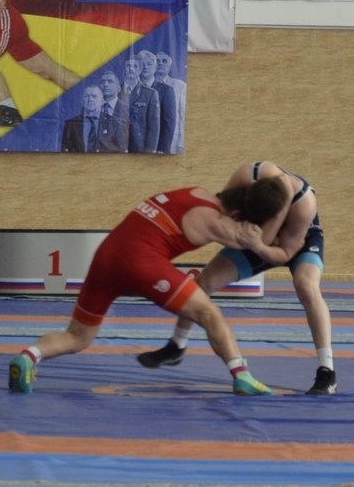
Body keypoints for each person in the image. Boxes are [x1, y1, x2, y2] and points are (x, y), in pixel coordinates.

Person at [8, 176, 292, 395]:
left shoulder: (195, 191)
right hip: (141, 262)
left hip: (106, 256)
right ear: (238, 215)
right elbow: (262, 245)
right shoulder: (218, 222)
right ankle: (242, 376)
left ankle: (29, 356)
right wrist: (286, 207)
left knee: (78, 336)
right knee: (210, 314)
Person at [139, 160, 336, 395]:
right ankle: (176, 346)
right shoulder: (248, 173)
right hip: (252, 233)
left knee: (306, 286)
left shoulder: (304, 204)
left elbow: (283, 253)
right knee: (202, 284)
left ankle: (327, 370)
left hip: (296, 240)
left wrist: (259, 244)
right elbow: (221, 209)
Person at [60, 85, 126, 152]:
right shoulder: (71, 124)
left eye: (94, 96)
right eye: (87, 96)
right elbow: (65, 151)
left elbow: (122, 150)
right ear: (82, 101)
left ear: (102, 101)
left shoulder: (114, 123)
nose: (90, 99)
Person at [136, 49, 177, 154]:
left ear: (155, 67)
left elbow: (169, 123)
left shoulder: (166, 90)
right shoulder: (128, 89)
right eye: (141, 64)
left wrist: (162, 150)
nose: (145, 67)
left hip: (156, 148)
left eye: (149, 64)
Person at [124, 53, 160, 154]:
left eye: (135, 66)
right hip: (117, 148)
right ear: (123, 69)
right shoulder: (116, 91)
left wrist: (150, 151)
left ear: (140, 70)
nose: (131, 69)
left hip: (140, 148)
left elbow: (154, 128)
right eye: (128, 66)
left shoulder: (150, 94)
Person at [154, 51, 186, 154]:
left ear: (170, 65)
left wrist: (181, 143)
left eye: (164, 61)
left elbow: (182, 116)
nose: (161, 63)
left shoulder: (179, 86)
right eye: (157, 61)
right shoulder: (145, 84)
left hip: (172, 140)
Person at [96, 69, 131, 152]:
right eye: (102, 82)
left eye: (110, 81)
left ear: (118, 87)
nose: (105, 84)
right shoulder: (93, 108)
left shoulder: (128, 110)